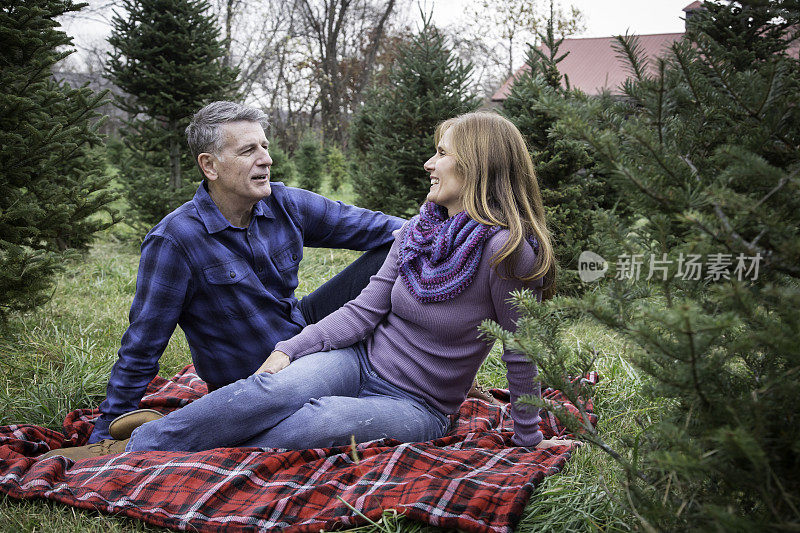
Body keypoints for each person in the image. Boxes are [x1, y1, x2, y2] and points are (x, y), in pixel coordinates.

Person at [58, 111, 568, 459]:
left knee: (310, 423)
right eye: (248, 149)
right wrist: (292, 349)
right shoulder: (417, 232)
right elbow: (365, 311)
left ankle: (172, 436)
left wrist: (527, 439)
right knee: (271, 389)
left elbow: (521, 353)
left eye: (441, 154)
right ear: (209, 167)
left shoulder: (504, 253)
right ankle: (128, 447)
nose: (429, 164)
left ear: (477, 163)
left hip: (419, 405)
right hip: (350, 358)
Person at [86, 101, 405, 444]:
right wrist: (108, 428)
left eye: (265, 147)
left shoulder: (285, 203)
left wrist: (457, 229)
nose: (266, 159)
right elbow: (143, 342)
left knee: (402, 245)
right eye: (249, 150)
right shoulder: (175, 240)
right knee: (319, 422)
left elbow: (381, 227)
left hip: (302, 334)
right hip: (255, 376)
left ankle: (408, 361)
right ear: (209, 166)